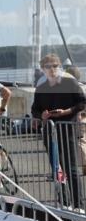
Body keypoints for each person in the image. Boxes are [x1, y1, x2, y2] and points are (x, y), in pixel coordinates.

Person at [32, 53, 86, 210]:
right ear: (43, 69)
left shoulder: (70, 83)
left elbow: (82, 103)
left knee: (72, 168)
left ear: (59, 66)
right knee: (57, 168)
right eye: (48, 67)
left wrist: (67, 111)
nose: (52, 69)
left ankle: (78, 206)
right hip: (49, 130)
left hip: (68, 129)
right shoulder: (41, 87)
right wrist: (40, 115)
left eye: (55, 66)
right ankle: (65, 202)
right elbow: (35, 109)